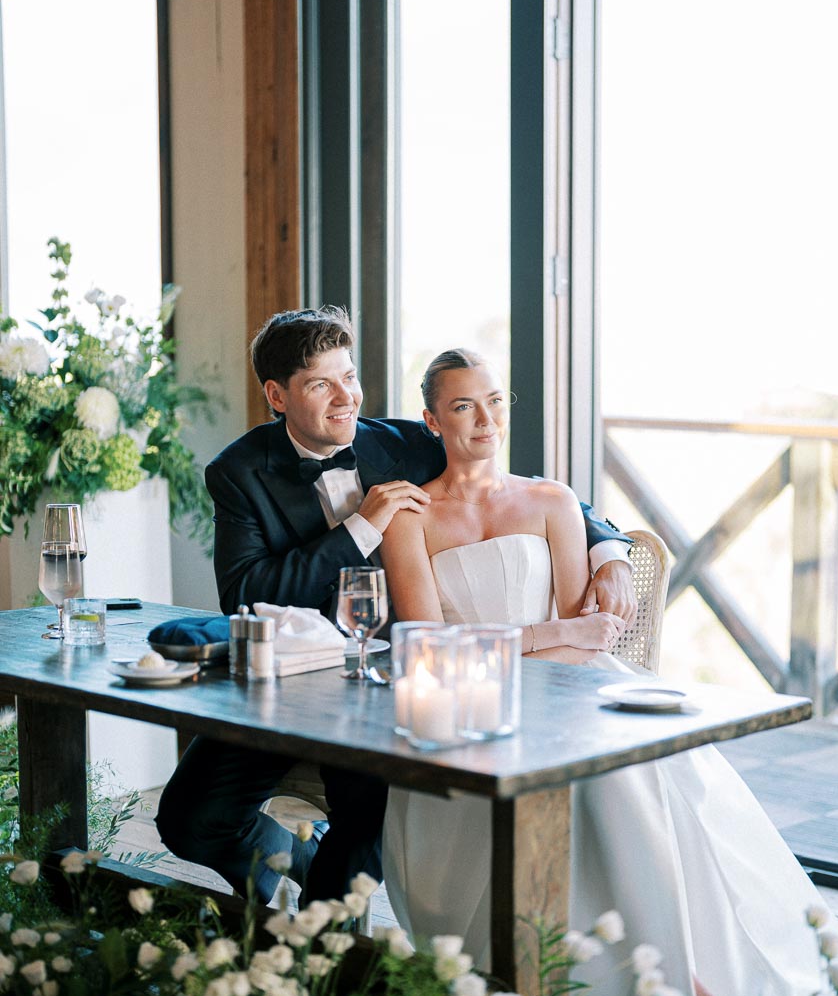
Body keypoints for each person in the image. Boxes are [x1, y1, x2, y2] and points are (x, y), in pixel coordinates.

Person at [379, 347, 838, 996]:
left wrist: (553, 635)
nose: (485, 420)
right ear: (432, 419)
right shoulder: (411, 516)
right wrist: (551, 635)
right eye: (463, 406)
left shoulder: (552, 502)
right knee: (601, 782)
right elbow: (429, 647)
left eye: (496, 401)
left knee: (620, 774)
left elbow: (582, 643)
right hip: (463, 711)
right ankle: (674, 995)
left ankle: (687, 987)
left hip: (565, 693)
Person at [155, 308, 633, 907]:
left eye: (348, 377)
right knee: (190, 819)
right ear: (277, 395)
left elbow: (519, 486)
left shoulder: (404, 442)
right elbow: (247, 595)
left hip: (393, 686)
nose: (344, 398)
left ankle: (319, 954)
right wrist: (358, 529)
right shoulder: (239, 472)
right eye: (319, 384)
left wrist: (611, 550)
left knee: (361, 838)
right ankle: (293, 863)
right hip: (287, 682)